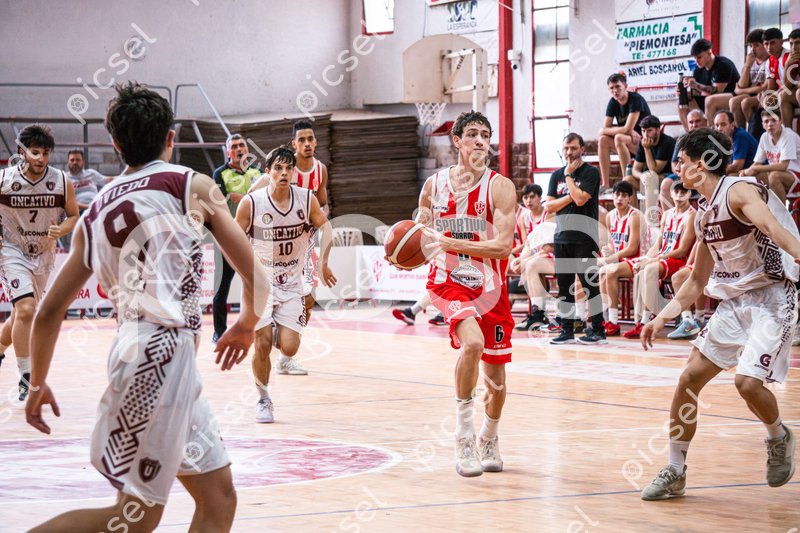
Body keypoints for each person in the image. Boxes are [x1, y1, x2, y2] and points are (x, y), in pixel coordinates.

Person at [24, 82, 269, 531]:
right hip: (160, 357)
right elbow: (255, 274)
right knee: (133, 518)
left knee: (218, 498)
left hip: (144, 352)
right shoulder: (190, 184)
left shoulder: (93, 212)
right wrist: (246, 324)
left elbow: (48, 313)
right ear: (170, 137)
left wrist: (36, 383)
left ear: (116, 145)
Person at [640, 127, 800, 500]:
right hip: (735, 303)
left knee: (747, 384)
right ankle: (675, 470)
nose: (676, 168)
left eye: (681, 160)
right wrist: (661, 317)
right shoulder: (703, 215)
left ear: (702, 163)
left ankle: (778, 436)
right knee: (687, 380)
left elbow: (771, 226)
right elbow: (697, 280)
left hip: (774, 297)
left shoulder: (738, 191)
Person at [417, 111, 516, 477]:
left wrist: (452, 242)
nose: (480, 140)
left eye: (485, 135)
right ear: (457, 141)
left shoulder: (500, 187)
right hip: (449, 281)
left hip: (491, 288)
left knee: (497, 382)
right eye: (472, 134)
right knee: (472, 343)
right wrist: (408, 248)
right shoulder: (433, 186)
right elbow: (420, 231)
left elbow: (503, 247)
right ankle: (464, 436)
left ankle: (489, 436)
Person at [235, 145, 336, 422]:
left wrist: (323, 262)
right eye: (278, 168)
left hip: (292, 280)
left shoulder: (306, 199)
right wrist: (243, 270)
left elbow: (326, 227)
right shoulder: (252, 203)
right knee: (262, 343)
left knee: (290, 348)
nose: (283, 173)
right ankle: (263, 399)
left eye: (288, 169)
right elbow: (232, 237)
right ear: (267, 172)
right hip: (260, 281)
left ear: (293, 172)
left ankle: (278, 334)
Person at [0, 124, 79, 401]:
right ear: (22, 152)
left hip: (43, 254)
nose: (41, 158)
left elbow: (73, 215)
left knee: (20, 315)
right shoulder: (4, 179)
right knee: (26, 310)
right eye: (35, 152)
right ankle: (27, 377)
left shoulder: (61, 181)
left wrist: (63, 229)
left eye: (45, 153)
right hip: (12, 250)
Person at [253, 120, 330, 325]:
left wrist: (318, 220)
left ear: (316, 142)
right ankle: (274, 327)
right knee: (274, 295)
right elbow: (253, 194)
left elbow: (323, 204)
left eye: (310, 139)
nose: (307, 143)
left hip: (304, 244)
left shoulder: (320, 170)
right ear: (294, 144)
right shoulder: (283, 167)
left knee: (309, 298)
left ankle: (292, 333)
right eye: (302, 140)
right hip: (276, 243)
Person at [546, 133, 605, 345]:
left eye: (573, 148)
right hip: (562, 237)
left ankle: (598, 330)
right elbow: (549, 206)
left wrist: (569, 177)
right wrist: (571, 196)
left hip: (585, 237)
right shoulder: (556, 175)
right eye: (566, 148)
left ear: (582, 149)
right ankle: (567, 331)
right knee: (564, 287)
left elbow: (581, 201)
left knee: (590, 285)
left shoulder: (591, 172)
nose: (569, 152)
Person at [624, 180, 695, 339]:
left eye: (683, 192)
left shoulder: (692, 215)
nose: (679, 196)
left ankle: (646, 321)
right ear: (671, 194)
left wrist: (654, 260)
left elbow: (682, 250)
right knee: (641, 268)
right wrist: (645, 258)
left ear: (690, 194)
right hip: (664, 258)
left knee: (650, 268)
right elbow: (658, 244)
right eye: (676, 192)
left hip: (680, 261)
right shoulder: (667, 214)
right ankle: (641, 320)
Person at [211, 134, 262, 344]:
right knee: (221, 286)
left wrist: (240, 198)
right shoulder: (219, 174)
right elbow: (222, 202)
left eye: (242, 145)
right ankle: (219, 331)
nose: (239, 149)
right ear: (228, 152)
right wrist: (250, 198)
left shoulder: (257, 172)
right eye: (234, 146)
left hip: (254, 237)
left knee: (260, 283)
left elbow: (264, 199)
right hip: (228, 237)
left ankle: (262, 326)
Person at [598, 181, 642, 336]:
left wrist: (611, 258)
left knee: (609, 271)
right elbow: (612, 242)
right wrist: (608, 249)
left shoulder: (635, 216)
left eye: (624, 195)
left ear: (630, 198)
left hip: (637, 259)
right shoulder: (610, 216)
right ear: (612, 196)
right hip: (619, 259)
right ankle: (604, 319)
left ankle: (614, 321)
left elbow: (632, 248)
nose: (619, 198)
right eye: (617, 195)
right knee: (600, 272)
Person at [512, 185, 556, 331]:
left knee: (530, 265)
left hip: (555, 255)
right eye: (525, 197)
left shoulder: (549, 214)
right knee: (524, 264)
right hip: (537, 257)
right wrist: (520, 259)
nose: (529, 201)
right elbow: (528, 244)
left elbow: (549, 247)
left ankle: (538, 314)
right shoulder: (523, 218)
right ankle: (538, 314)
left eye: (532, 197)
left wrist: (525, 260)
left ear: (540, 197)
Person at [598, 73, 652, 189]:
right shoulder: (613, 102)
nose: (615, 91)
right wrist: (626, 131)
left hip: (645, 144)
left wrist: (626, 130)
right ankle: (605, 184)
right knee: (603, 140)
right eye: (611, 88)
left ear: (625, 86)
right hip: (627, 142)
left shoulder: (636, 99)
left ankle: (626, 181)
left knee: (619, 138)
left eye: (618, 87)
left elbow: (626, 129)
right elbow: (604, 130)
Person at [678, 39, 740, 132]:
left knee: (710, 100)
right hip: (710, 98)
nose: (696, 61)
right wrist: (684, 92)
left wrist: (696, 85)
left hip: (732, 96)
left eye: (699, 57)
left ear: (709, 52)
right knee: (683, 101)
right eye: (695, 58)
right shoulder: (698, 70)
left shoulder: (723, 65)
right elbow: (698, 92)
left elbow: (717, 91)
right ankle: (691, 134)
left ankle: (710, 134)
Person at [742, 110, 800, 204]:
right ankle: (762, 209)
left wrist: (755, 168)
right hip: (784, 175)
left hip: (796, 175)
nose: (770, 124)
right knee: (755, 176)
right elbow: (757, 163)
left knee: (774, 176)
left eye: (774, 120)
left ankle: (780, 212)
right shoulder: (764, 137)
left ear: (780, 121)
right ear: (762, 124)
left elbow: (783, 166)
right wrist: (745, 173)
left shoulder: (788, 135)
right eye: (766, 121)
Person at [627, 115, 676, 221]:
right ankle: (635, 219)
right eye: (643, 131)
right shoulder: (643, 142)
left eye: (649, 131)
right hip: (650, 178)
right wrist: (642, 176)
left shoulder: (666, 143)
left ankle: (651, 221)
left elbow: (655, 169)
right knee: (628, 180)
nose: (645, 134)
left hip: (668, 178)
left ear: (658, 130)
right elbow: (635, 169)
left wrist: (647, 149)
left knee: (650, 177)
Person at [666, 240, 707, 340]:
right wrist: (688, 264)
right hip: (708, 256)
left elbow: (683, 249)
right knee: (679, 277)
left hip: (724, 261)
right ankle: (693, 320)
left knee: (683, 277)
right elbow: (699, 241)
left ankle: (693, 320)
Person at [730, 29, 771, 129]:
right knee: (734, 101)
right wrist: (747, 65)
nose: (752, 49)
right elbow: (742, 85)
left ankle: (754, 131)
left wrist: (740, 91)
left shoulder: (770, 60)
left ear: (765, 45)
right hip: (752, 93)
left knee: (745, 102)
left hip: (766, 94)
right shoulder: (751, 61)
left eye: (756, 45)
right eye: (751, 46)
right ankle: (741, 134)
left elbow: (764, 87)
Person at [712, 110, 758, 174]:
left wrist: (714, 173)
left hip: (758, 172)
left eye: (723, 124)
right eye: (717, 125)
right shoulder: (722, 139)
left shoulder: (740, 136)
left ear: (732, 125)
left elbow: (736, 167)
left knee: (728, 176)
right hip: (743, 173)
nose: (719, 129)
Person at [778, 29, 800, 128]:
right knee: (784, 95)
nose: (794, 47)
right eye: (791, 44)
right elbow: (787, 86)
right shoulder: (794, 59)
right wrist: (787, 65)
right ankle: (788, 134)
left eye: (798, 43)